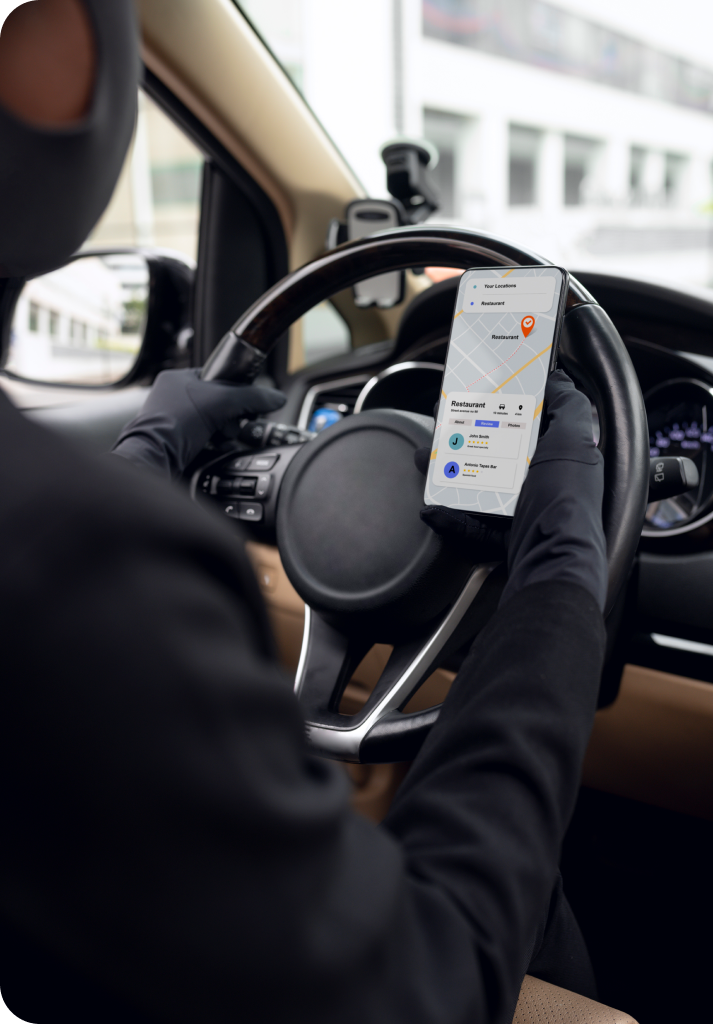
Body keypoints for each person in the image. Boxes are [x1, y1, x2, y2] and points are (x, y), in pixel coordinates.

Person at [0, 3, 607, 1023]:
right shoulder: (80, 563)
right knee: (534, 905)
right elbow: (435, 982)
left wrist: (148, 453)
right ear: (53, 56)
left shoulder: (61, 545)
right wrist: (558, 567)